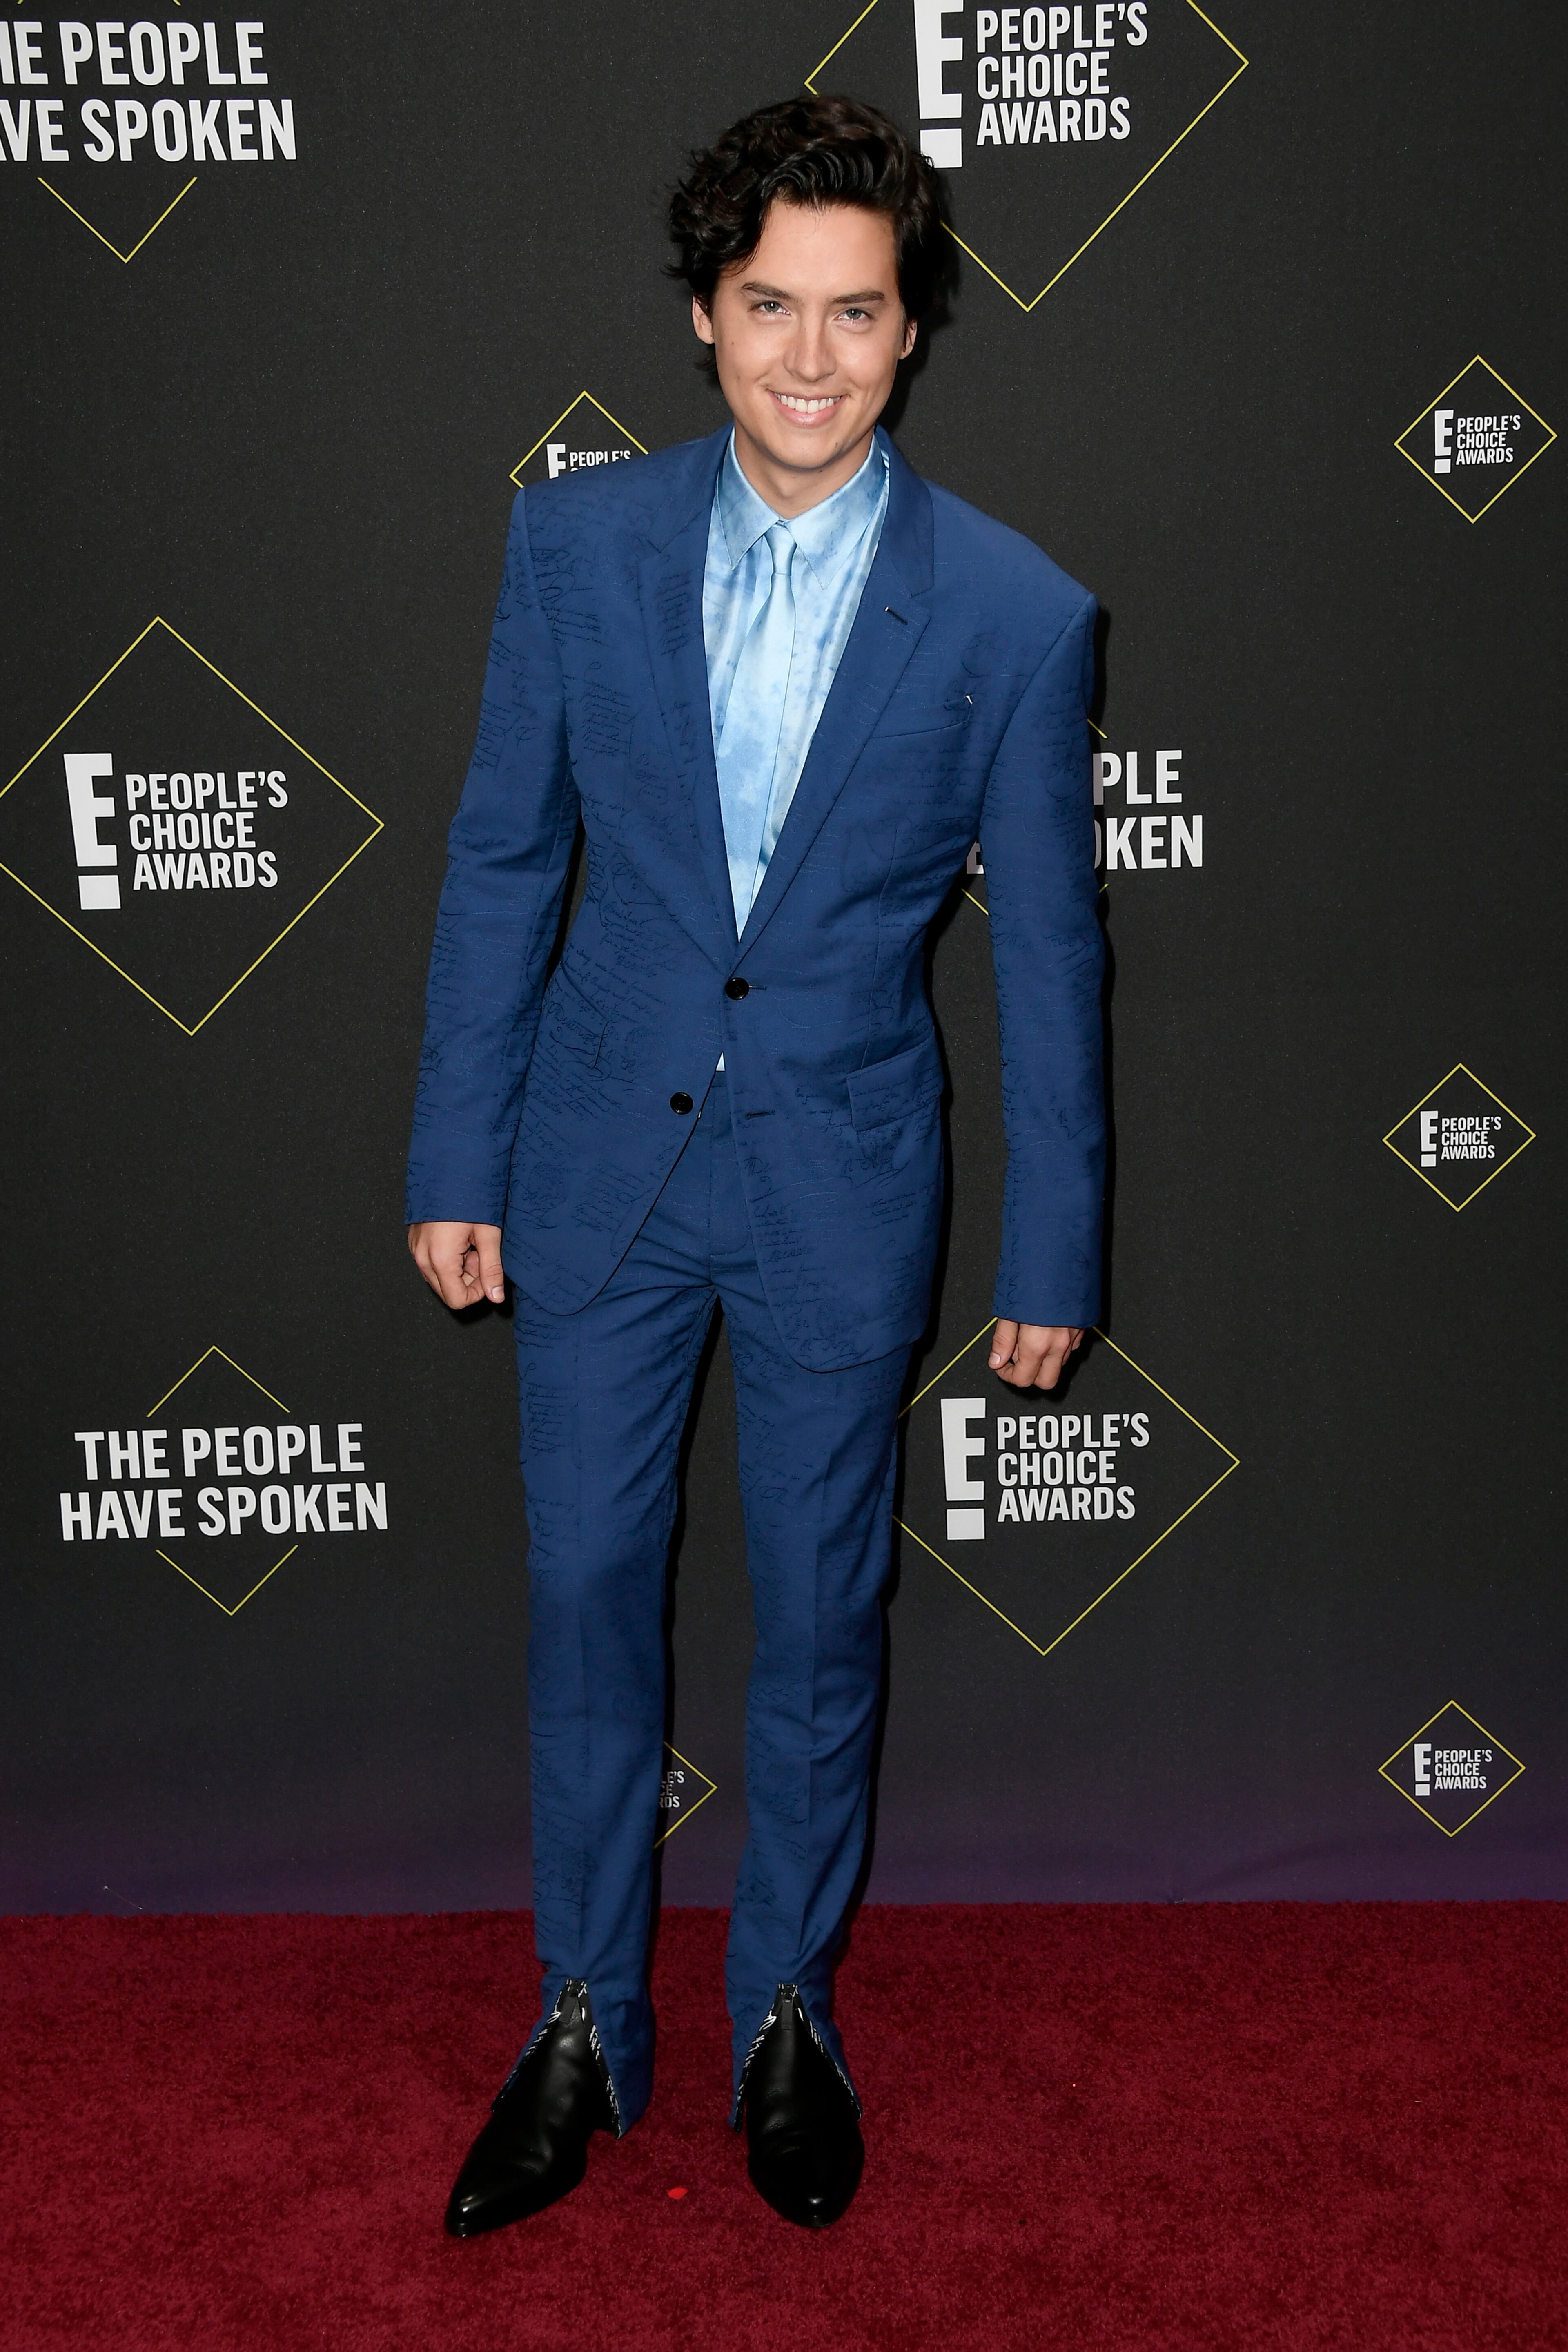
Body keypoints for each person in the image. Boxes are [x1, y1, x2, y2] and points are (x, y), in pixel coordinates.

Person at [405, 92, 1105, 2235]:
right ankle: (581, 2020)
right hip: (600, 1160)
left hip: (841, 1184)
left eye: (859, 315)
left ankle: (783, 2013)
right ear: (707, 318)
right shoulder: (575, 544)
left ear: (915, 336)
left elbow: (1061, 953)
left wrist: (1058, 1238)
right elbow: (506, 852)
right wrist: (457, 1148)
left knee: (821, 1616)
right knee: (590, 1593)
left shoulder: (1014, 607)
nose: (812, 356)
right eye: (771, 306)